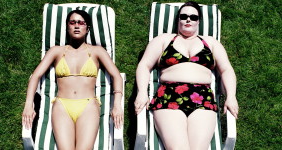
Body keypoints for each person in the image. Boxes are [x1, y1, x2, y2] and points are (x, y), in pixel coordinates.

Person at [134, 1, 239, 150]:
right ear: (178, 20)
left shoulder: (211, 43)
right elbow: (144, 65)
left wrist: (231, 97)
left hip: (203, 98)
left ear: (199, 21)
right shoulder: (164, 40)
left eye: (193, 17)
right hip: (169, 96)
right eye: (184, 16)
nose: (188, 19)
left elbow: (227, 70)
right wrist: (142, 93)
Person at [22, 10, 124, 149]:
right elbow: (35, 76)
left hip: (88, 106)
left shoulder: (97, 51)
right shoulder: (56, 51)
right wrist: (29, 105)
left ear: (87, 29)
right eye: (73, 22)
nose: (77, 26)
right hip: (62, 106)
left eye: (81, 23)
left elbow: (116, 76)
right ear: (67, 27)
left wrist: (117, 105)